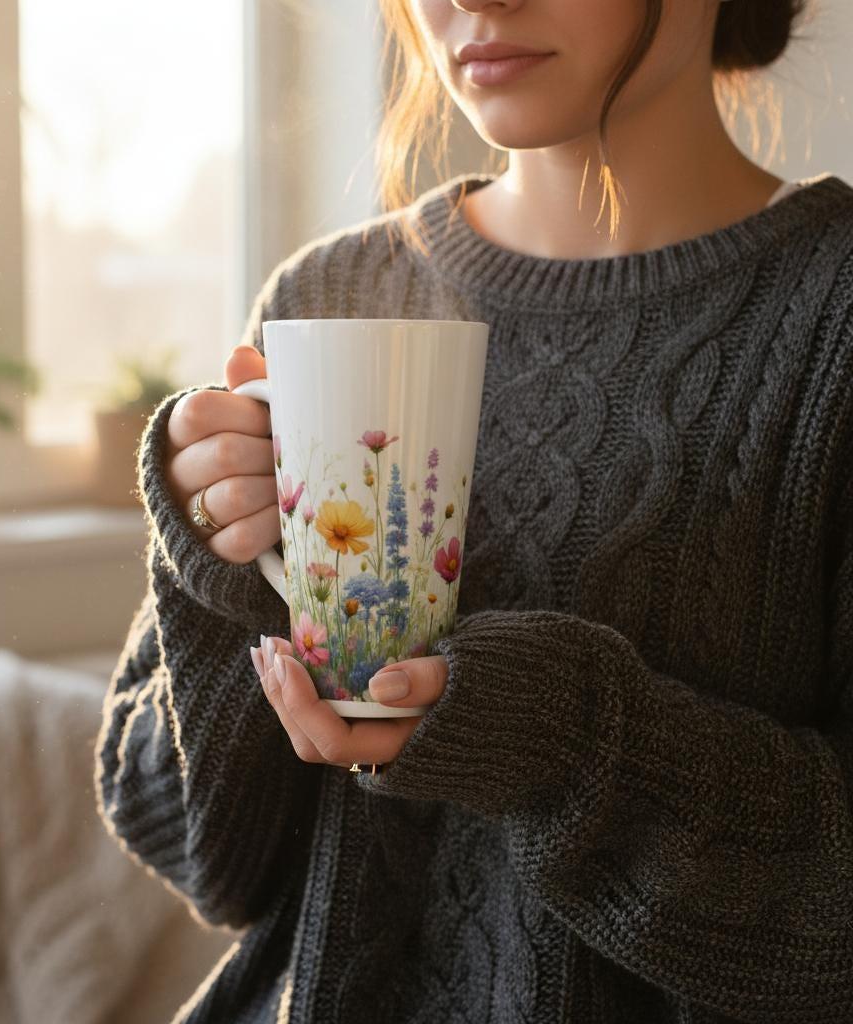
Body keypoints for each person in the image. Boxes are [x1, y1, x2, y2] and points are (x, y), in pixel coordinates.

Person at [95, 0, 853, 1020]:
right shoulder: (325, 295)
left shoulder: (831, 316)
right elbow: (200, 854)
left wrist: (564, 739)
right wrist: (212, 567)